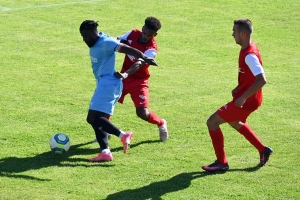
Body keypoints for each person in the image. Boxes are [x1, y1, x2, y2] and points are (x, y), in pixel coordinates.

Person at [79, 20, 158, 162]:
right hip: (105, 83)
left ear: (93, 33)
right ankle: (105, 152)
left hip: (108, 85)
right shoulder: (101, 39)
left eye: (86, 37)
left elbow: (127, 49)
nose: (84, 40)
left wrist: (144, 57)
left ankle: (123, 135)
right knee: (99, 120)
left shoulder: (106, 42)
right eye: (82, 37)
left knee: (92, 118)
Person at [202, 18, 273, 172]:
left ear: (242, 34)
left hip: (248, 100)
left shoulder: (249, 55)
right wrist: (239, 87)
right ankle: (263, 150)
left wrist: (243, 96)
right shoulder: (250, 48)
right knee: (234, 122)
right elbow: (251, 76)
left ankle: (222, 163)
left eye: (234, 31)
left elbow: (262, 80)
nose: (232, 34)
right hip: (250, 97)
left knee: (212, 122)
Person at [114, 16, 168, 142]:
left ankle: (161, 123)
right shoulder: (132, 33)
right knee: (108, 102)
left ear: (155, 35)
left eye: (149, 35)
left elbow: (138, 64)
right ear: (142, 28)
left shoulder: (151, 49)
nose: (145, 36)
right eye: (144, 33)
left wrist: (125, 74)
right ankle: (105, 131)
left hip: (139, 81)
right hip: (123, 78)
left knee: (142, 113)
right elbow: (116, 41)